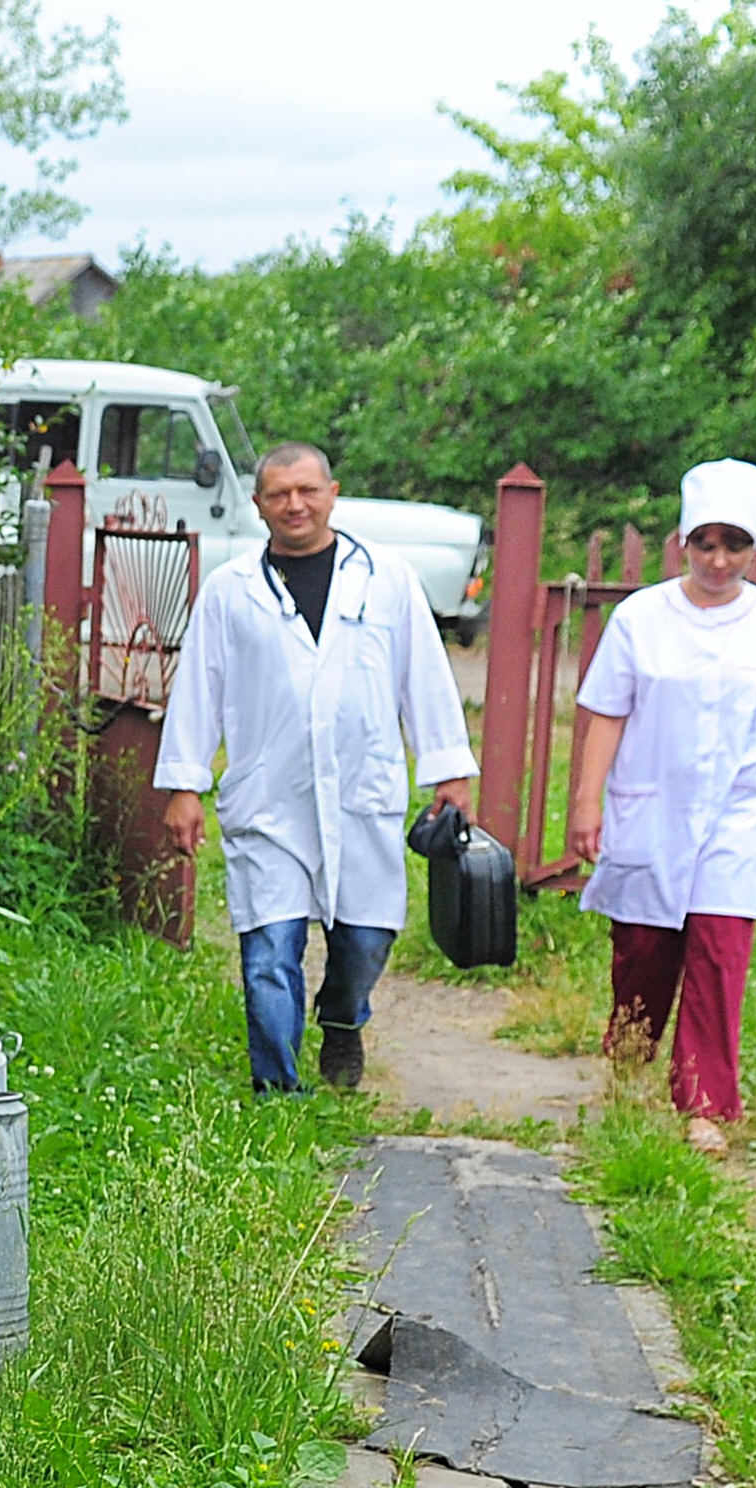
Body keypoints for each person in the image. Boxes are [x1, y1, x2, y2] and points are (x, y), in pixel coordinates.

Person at [153, 440, 478, 1092]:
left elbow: (425, 676)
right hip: (269, 797)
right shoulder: (229, 591)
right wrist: (184, 785)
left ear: (333, 493)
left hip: (363, 793)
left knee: (364, 941)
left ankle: (341, 1020)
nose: (294, 505)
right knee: (269, 952)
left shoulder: (387, 579)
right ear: (258, 505)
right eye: (279, 494)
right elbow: (197, 688)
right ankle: (277, 1090)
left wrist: (449, 770)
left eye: (306, 491)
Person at [565, 457, 756, 1155]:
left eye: (733, 544)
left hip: (737, 813)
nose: (718, 559)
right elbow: (605, 713)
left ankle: (704, 1102)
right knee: (643, 947)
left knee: (718, 953)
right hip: (651, 806)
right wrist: (586, 802)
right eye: (704, 543)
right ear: (683, 541)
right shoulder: (641, 617)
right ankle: (629, 1059)